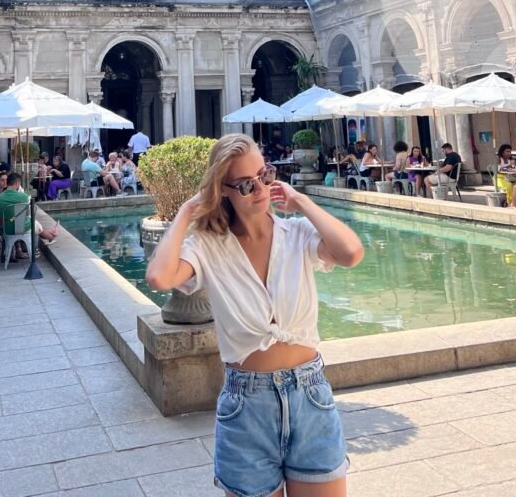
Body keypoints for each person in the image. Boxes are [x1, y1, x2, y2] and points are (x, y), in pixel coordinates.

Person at [146, 133, 364, 497]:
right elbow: (159, 277)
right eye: (246, 185)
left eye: (265, 175)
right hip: (246, 406)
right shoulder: (208, 248)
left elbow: (351, 252)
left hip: (309, 396)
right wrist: (185, 212)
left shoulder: (296, 234)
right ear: (224, 190)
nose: (261, 189)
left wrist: (302, 202)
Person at [0, 173, 60, 250]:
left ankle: (50, 234)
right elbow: (26, 214)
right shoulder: (23, 196)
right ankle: (51, 235)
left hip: (5, 229)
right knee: (34, 223)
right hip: (20, 229)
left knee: (34, 223)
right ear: (17, 183)